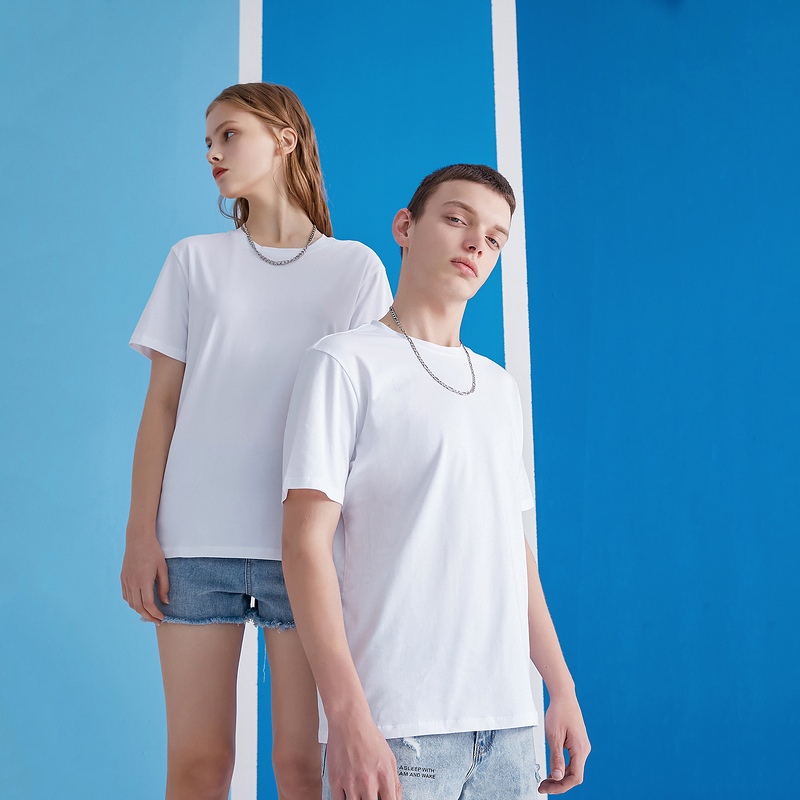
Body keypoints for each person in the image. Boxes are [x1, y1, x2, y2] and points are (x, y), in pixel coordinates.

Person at [281, 164, 590, 799]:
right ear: (406, 226)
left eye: (495, 238)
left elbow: (513, 553)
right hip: (395, 728)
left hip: (509, 729)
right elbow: (304, 547)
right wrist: (346, 717)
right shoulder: (344, 363)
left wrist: (560, 686)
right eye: (457, 219)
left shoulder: (499, 387)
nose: (477, 243)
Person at [120, 82, 392, 800]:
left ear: (284, 140)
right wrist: (140, 535)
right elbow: (162, 406)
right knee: (198, 765)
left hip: (306, 550)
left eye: (228, 134)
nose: (213, 152)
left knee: (302, 768)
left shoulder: (356, 269)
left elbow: (367, 424)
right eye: (208, 142)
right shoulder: (194, 260)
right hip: (192, 545)